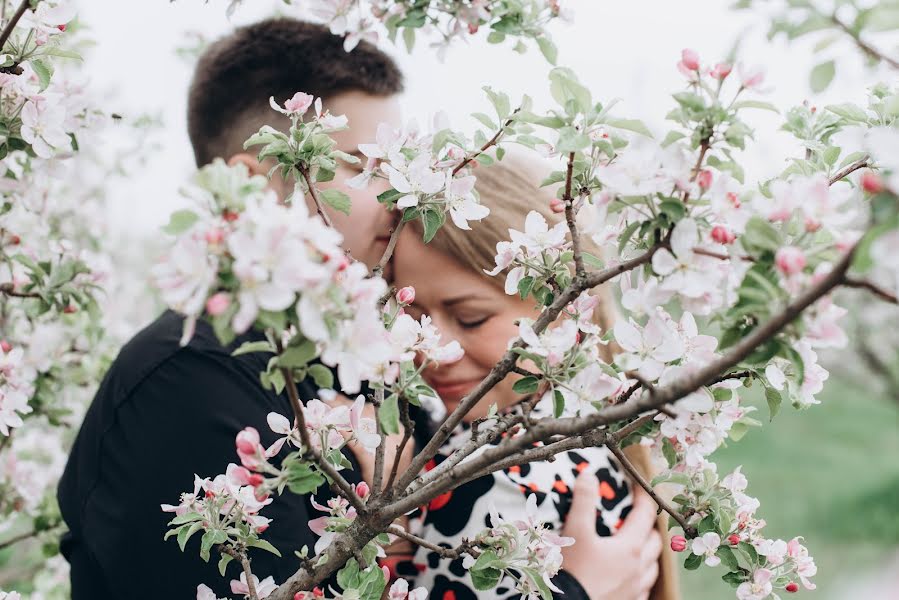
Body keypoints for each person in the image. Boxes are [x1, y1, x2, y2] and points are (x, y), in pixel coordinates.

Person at [56, 18, 404, 600]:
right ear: (254, 189)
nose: (400, 197)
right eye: (364, 164)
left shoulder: (360, 357)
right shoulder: (186, 379)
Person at [392, 154, 680, 600]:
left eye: (469, 318)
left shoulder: (505, 478)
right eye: (411, 315)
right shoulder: (579, 423)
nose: (432, 351)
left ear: (565, 310)